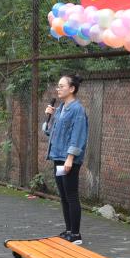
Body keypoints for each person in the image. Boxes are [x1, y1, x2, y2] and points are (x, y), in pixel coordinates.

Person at [43, 74, 89, 245]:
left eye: (62, 86)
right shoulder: (61, 108)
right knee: (63, 196)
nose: (58, 89)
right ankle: (69, 230)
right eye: (58, 86)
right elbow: (50, 132)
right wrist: (48, 119)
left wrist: (70, 158)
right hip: (57, 156)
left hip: (68, 159)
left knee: (71, 195)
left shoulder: (77, 109)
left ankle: (76, 234)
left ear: (72, 89)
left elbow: (78, 135)